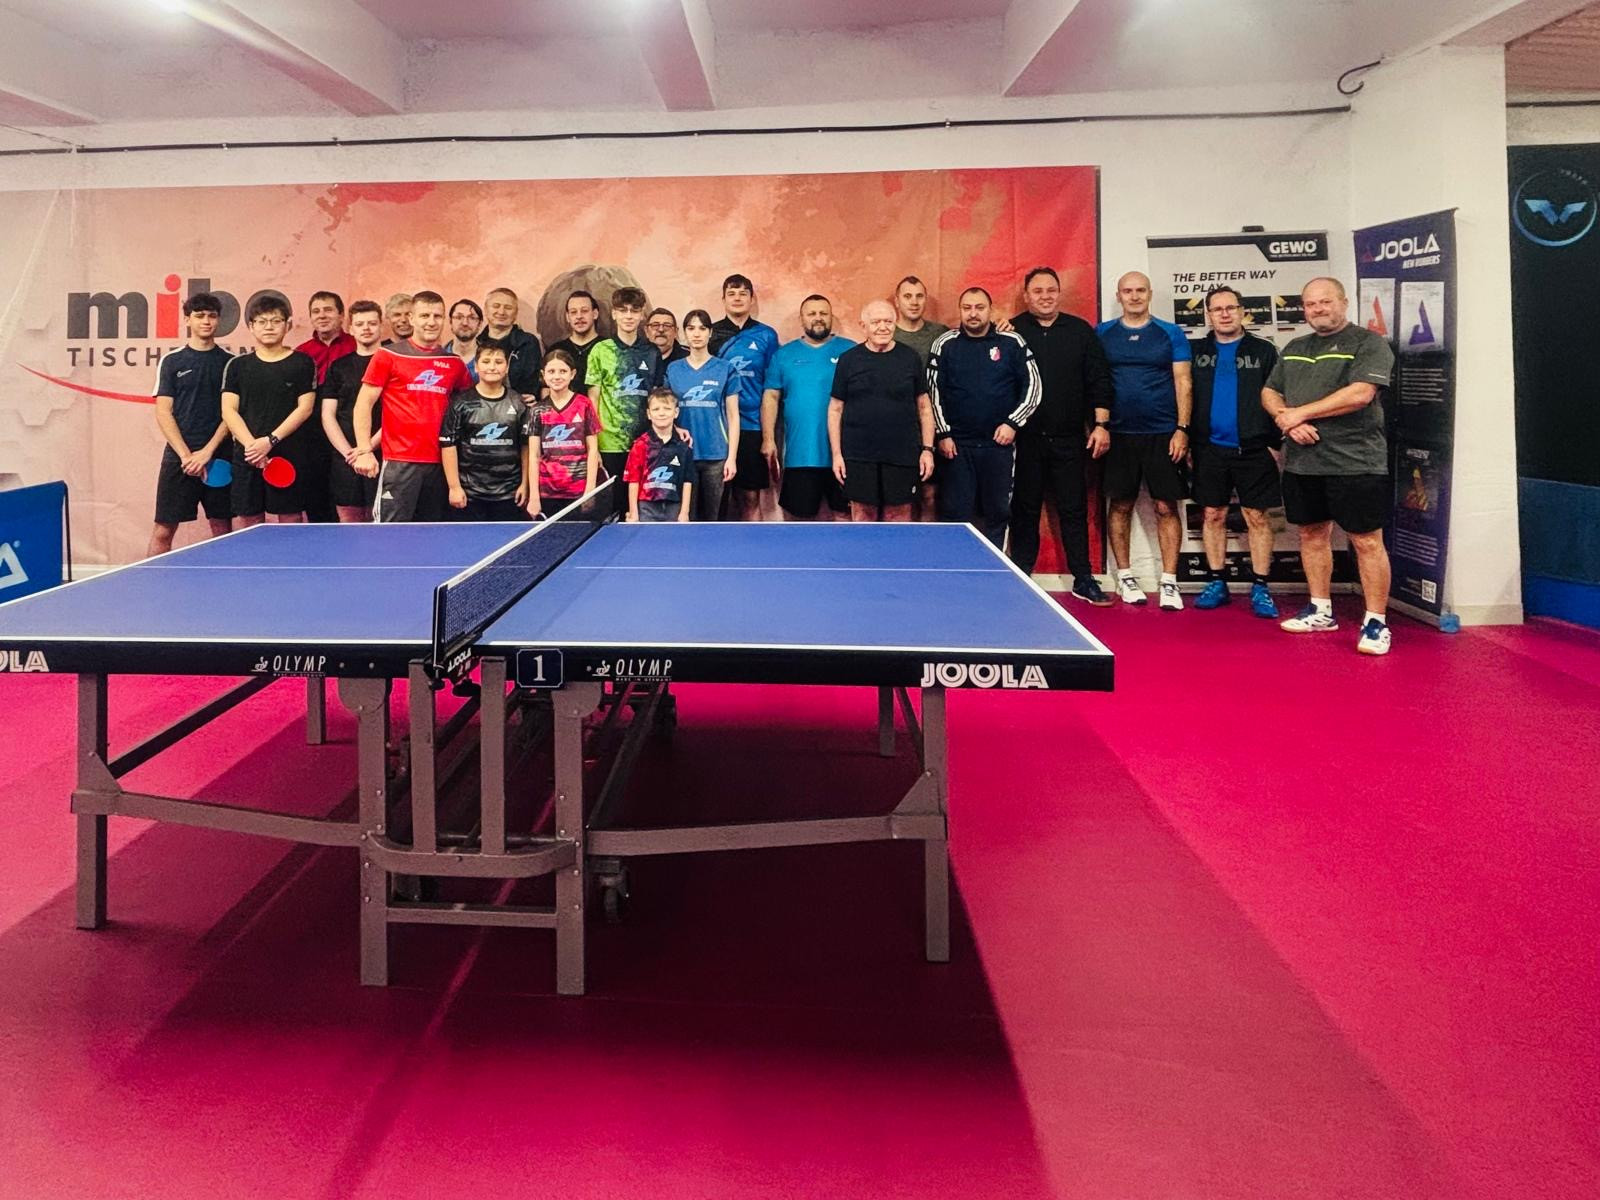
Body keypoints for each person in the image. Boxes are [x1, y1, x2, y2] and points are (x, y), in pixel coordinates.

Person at [1262, 277, 1397, 654]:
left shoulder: (1368, 343)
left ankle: (1376, 622)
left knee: (1367, 541)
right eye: (1310, 304)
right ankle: (1321, 610)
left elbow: (1360, 394)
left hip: (1355, 461)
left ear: (1344, 302)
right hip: (1303, 462)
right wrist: (1286, 418)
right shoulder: (1295, 347)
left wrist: (1300, 413)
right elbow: (1270, 391)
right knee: (1311, 535)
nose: (1318, 309)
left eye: (1325, 301)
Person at [1005, 266, 1114, 605]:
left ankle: (1083, 578)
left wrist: (1101, 425)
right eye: (1038, 291)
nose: (1045, 296)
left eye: (1051, 290)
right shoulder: (1012, 331)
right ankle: (1022, 575)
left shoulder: (1080, 331)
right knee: (1024, 510)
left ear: (1059, 293)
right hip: (1025, 439)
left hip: (1070, 439)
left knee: (1074, 510)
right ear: (1027, 296)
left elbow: (1099, 380)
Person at [1098, 270, 1193, 610]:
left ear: (1150, 294)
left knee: (1166, 506)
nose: (1134, 296)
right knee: (1120, 505)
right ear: (1119, 295)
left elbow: (1183, 382)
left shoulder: (1170, 333)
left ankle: (1169, 581)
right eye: (1128, 291)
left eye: (1140, 290)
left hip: (1163, 433)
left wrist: (1182, 428)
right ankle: (1124, 576)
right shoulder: (1102, 333)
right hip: (1118, 434)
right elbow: (1094, 381)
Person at [1189, 286, 1283, 618]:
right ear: (1208, 315)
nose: (1225, 314)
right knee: (1212, 515)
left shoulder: (1264, 350)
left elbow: (1279, 395)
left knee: (1256, 517)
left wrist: (1275, 443)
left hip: (1254, 449)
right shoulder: (1195, 351)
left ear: (1242, 311)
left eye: (1231, 307)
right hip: (1208, 449)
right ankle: (1217, 581)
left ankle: (1261, 586)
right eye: (1217, 309)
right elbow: (1182, 394)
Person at [926, 288, 1040, 547]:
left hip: (998, 445)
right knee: (954, 514)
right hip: (956, 446)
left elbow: (1033, 387)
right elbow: (933, 392)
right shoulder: (945, 344)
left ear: (991, 310)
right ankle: (955, 567)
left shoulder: (1012, 342)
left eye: (979, 307)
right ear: (960, 310)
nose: (973, 313)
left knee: (997, 513)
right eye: (967, 308)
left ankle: (995, 568)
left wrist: (1013, 423)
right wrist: (943, 433)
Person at [351, 290, 473, 522]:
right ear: (412, 318)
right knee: (391, 535)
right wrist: (365, 451)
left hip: (441, 464)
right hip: (399, 462)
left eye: (437, 316)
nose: (431, 322)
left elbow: (469, 408)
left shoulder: (454, 363)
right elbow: (363, 404)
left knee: (433, 534)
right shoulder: (387, 355)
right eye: (424, 315)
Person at [829, 299, 935, 522]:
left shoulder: (910, 358)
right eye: (876, 322)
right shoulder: (848, 360)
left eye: (888, 321)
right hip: (858, 456)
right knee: (862, 516)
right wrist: (837, 455)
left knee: (898, 517)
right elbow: (835, 409)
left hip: (902, 455)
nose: (883, 327)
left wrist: (927, 450)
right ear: (863, 326)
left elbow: (925, 408)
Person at [148, 292, 233, 556]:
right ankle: (152, 580)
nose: (206, 321)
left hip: (219, 456)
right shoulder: (172, 361)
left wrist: (207, 453)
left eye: (212, 316)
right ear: (187, 320)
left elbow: (231, 414)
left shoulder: (231, 363)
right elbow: (164, 412)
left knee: (223, 529)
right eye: (199, 316)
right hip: (179, 457)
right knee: (163, 530)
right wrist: (186, 456)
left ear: (218, 320)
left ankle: (226, 581)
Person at [220, 295, 317, 527]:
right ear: (251, 326)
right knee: (250, 521)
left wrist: (270, 441)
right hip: (248, 455)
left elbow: (305, 409)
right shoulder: (237, 366)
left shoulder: (303, 363)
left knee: (291, 519)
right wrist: (252, 447)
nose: (269, 327)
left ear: (287, 325)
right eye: (262, 322)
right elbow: (229, 411)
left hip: (289, 453)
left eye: (276, 321)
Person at [762, 294, 854, 521]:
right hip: (800, 455)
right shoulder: (784, 355)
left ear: (831, 317)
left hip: (844, 455)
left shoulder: (851, 351)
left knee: (845, 517)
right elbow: (771, 397)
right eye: (812, 313)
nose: (818, 318)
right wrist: (768, 439)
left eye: (824, 313)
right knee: (798, 520)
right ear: (801, 319)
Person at [709, 273, 779, 520]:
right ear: (723, 299)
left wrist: (769, 437)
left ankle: (753, 544)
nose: (737, 298)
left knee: (749, 497)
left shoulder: (766, 335)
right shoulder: (710, 333)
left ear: (752, 299)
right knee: (716, 499)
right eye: (731, 293)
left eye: (743, 293)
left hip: (751, 426)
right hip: (717, 428)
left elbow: (772, 386)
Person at [439, 343, 536, 522]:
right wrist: (454, 487)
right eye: (486, 361)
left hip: (510, 493)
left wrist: (525, 484)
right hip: (470, 494)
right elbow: (448, 445)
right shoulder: (460, 403)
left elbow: (526, 447)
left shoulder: (518, 402)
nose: (492, 367)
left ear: (507, 367)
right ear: (476, 367)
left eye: (498, 362)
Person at [589, 286, 664, 514]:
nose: (629, 316)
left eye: (634, 310)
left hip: (644, 442)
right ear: (614, 314)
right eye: (623, 310)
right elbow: (593, 398)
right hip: (610, 442)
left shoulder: (652, 352)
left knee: (644, 506)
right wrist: (594, 444)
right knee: (614, 508)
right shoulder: (601, 350)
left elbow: (657, 397)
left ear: (642, 315)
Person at [666, 309, 739, 521]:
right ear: (684, 333)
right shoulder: (673, 369)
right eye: (691, 328)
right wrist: (675, 428)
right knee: (685, 518)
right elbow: (664, 409)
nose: (696, 333)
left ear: (710, 333)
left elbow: (733, 416)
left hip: (716, 456)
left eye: (702, 328)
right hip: (683, 454)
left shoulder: (725, 369)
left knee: (713, 519)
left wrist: (732, 458)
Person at [893, 276, 951, 523]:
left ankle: (928, 543)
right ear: (897, 301)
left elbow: (975, 337)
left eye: (919, 296)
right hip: (899, 429)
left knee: (930, 494)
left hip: (934, 426)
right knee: (900, 499)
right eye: (907, 296)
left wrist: (1001, 326)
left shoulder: (941, 334)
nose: (914, 302)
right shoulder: (887, 333)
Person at [319, 298, 384, 522]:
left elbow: (398, 414)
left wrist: (367, 448)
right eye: (360, 324)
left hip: (382, 454)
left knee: (380, 524)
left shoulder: (394, 363)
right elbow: (328, 415)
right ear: (351, 329)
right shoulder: (338, 367)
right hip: (345, 456)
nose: (366, 328)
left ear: (381, 326)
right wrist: (350, 454)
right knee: (349, 522)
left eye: (372, 323)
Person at [293, 290, 353, 524]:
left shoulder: (356, 346)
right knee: (316, 499)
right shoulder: (301, 353)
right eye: (316, 311)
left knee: (350, 502)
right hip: (311, 434)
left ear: (341, 315)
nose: (322, 315)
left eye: (328, 310)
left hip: (348, 430)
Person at [531, 348, 602, 514]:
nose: (557, 376)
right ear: (543, 375)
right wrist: (534, 496)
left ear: (572, 374)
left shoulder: (584, 404)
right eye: (551, 371)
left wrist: (590, 491)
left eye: (563, 371)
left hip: (579, 490)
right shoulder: (537, 410)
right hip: (548, 491)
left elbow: (592, 450)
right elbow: (534, 455)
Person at [624, 388, 693, 523]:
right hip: (646, 507)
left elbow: (687, 481)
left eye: (667, 409)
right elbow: (633, 481)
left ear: (676, 412)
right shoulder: (640, 445)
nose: (661, 413)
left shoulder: (683, 447)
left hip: (674, 507)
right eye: (656, 409)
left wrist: (684, 512)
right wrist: (633, 513)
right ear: (648, 414)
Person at [478, 287, 544, 395]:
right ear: (485, 309)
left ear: (516, 313)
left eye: (508, 307)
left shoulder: (528, 343)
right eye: (496, 306)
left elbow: (532, 384)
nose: (501, 312)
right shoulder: (476, 343)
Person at [549, 290, 602, 392]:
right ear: (568, 317)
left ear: (595, 314)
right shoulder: (556, 350)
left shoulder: (608, 347)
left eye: (584, 311)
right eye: (573, 312)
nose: (579, 316)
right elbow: (546, 388)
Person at [444, 297, 485, 382]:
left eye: (472, 318)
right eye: (459, 317)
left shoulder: (491, 360)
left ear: (480, 324)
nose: (465, 323)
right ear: (450, 322)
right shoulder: (437, 357)